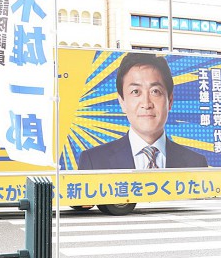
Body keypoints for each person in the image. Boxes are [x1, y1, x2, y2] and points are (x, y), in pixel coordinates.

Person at [78, 52, 208, 170]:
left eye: (155, 91)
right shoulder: (93, 162)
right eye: (136, 92)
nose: (146, 104)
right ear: (122, 102)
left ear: (170, 100)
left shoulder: (196, 164)